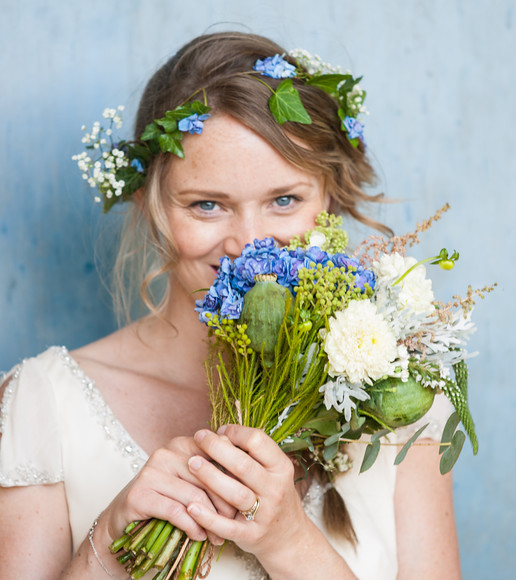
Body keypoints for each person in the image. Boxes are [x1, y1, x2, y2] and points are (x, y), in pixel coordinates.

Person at [0, 31, 461, 579]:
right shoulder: (43, 405)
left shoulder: (399, 399)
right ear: (152, 208)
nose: (249, 244)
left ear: (329, 200)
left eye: (284, 200)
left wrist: (291, 543)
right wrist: (112, 536)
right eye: (207, 205)